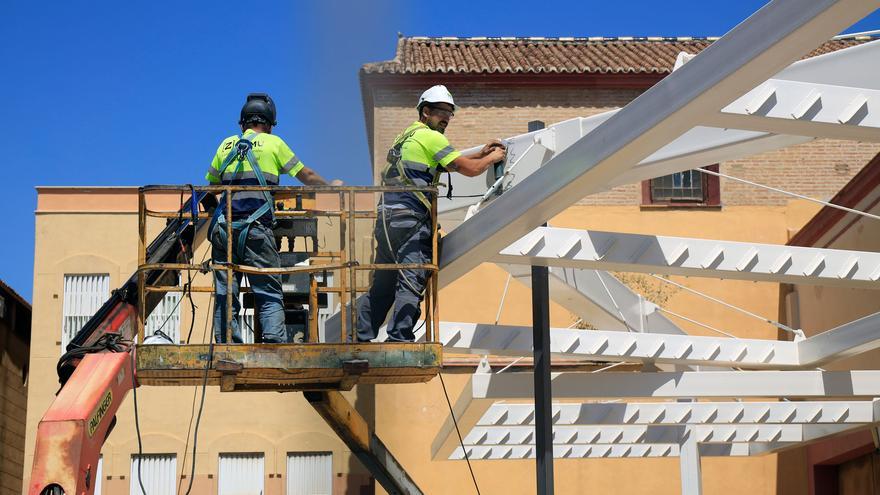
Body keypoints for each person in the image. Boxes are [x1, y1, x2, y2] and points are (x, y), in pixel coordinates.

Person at [356, 85, 507, 342]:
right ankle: (399, 337)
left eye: (450, 113)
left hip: (386, 219)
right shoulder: (432, 137)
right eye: (441, 112)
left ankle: (359, 335)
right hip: (410, 221)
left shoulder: (406, 136)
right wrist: (492, 158)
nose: (446, 118)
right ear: (425, 111)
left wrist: (478, 152)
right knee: (412, 278)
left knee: (383, 284)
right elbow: (468, 170)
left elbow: (440, 162)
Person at [206, 93, 340, 343]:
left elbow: (212, 186)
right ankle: (273, 341)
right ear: (267, 124)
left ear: (242, 123)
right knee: (268, 290)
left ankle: (226, 344)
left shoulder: (225, 145)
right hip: (255, 229)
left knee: (226, 291)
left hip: (224, 230)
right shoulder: (273, 143)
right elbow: (306, 175)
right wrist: (330, 186)